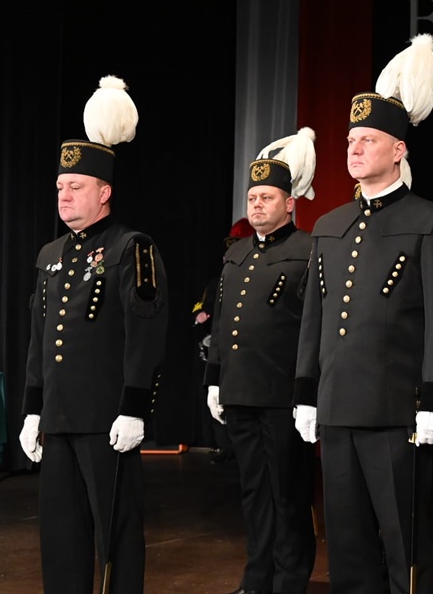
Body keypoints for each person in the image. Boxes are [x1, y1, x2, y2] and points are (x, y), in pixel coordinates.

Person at [293, 34, 433, 594]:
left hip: (397, 412)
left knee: (403, 545)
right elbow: (314, 320)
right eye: (351, 140)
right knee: (346, 547)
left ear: (398, 151)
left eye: (368, 139)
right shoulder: (329, 225)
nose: (355, 148)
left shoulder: (430, 221)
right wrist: (305, 391)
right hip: (338, 407)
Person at [19, 75, 169, 593]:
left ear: (103, 193)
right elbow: (40, 339)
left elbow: (145, 334)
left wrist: (135, 407)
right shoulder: (50, 255)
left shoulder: (132, 247)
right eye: (60, 187)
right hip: (59, 417)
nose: (64, 196)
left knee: (117, 532)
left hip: (107, 418)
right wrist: (33, 409)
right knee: (61, 535)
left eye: (76, 187)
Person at [204, 128, 319, 594]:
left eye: (266, 198)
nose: (256, 205)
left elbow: (313, 329)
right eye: (252, 198)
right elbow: (221, 324)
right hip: (240, 392)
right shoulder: (236, 254)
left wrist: (307, 391)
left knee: (288, 492)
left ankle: (290, 579)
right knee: (253, 492)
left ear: (289, 203)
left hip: (282, 394)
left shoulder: (308, 249)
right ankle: (258, 578)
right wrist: (214, 380)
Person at [193, 217, 255, 465]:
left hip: (249, 353)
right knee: (217, 398)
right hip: (219, 349)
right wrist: (201, 314)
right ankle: (224, 446)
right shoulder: (217, 280)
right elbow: (203, 306)